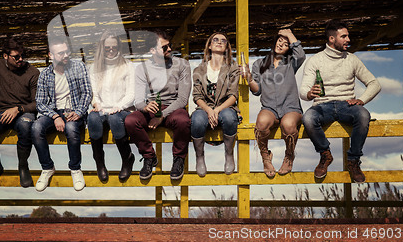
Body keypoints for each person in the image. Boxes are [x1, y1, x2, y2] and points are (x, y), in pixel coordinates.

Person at [300, 20, 381, 183]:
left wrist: (361, 100)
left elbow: (375, 84)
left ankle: (353, 160)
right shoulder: (315, 60)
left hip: (347, 105)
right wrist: (309, 94)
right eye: (343, 36)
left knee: (363, 116)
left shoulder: (352, 60)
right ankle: (325, 155)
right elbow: (302, 91)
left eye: (348, 36)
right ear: (331, 39)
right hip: (322, 105)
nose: (348, 39)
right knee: (308, 118)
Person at [125, 30, 191, 181]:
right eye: (164, 47)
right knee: (130, 120)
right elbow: (139, 100)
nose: (169, 50)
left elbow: (182, 99)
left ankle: (179, 159)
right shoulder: (142, 68)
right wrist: (145, 108)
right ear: (152, 50)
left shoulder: (182, 65)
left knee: (183, 121)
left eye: (170, 46)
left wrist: (162, 116)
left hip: (173, 107)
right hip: (152, 108)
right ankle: (149, 157)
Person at [0, 38, 40, 189]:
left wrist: (18, 109)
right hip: (1, 113)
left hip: (23, 112)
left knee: (25, 125)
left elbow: (37, 104)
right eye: (16, 56)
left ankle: (23, 167)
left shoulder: (33, 72)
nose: (20, 59)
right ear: (5, 56)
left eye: (22, 55)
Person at [242, 29, 305, 178]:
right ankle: (266, 157)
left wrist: (289, 33)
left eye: (285, 43)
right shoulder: (259, 64)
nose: (281, 44)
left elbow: (301, 54)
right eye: (279, 41)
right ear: (275, 41)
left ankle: (289, 156)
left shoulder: (291, 62)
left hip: (290, 107)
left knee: (288, 125)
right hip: (269, 108)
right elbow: (257, 91)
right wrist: (249, 78)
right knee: (262, 122)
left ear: (289, 48)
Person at [32, 37, 92, 192]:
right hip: (53, 112)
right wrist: (55, 117)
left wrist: (78, 112)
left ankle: (75, 168)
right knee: (36, 127)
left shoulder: (79, 67)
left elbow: (87, 92)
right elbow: (40, 102)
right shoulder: (45, 74)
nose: (65, 55)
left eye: (67, 51)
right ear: (50, 55)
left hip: (74, 110)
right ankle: (47, 168)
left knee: (72, 129)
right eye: (60, 53)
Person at [191, 32, 240, 177]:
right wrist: (209, 110)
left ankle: (229, 155)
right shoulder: (198, 70)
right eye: (215, 40)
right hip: (204, 107)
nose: (219, 42)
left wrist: (217, 110)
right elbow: (197, 96)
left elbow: (233, 96)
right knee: (197, 120)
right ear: (210, 45)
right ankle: (200, 157)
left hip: (225, 107)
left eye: (223, 41)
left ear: (226, 47)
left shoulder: (232, 68)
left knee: (230, 118)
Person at [88, 31, 135, 182]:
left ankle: (127, 158)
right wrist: (97, 103)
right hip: (102, 109)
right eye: (107, 47)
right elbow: (94, 92)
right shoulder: (95, 67)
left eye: (113, 47)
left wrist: (119, 106)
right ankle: (100, 163)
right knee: (92, 118)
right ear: (102, 47)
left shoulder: (128, 66)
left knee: (115, 119)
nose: (110, 50)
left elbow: (132, 93)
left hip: (123, 109)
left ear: (119, 47)